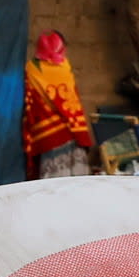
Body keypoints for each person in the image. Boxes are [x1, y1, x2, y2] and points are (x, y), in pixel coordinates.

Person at [21, 30, 94, 178]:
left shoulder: (32, 69)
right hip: (74, 131)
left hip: (48, 135)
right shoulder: (65, 68)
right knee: (76, 185)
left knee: (52, 187)